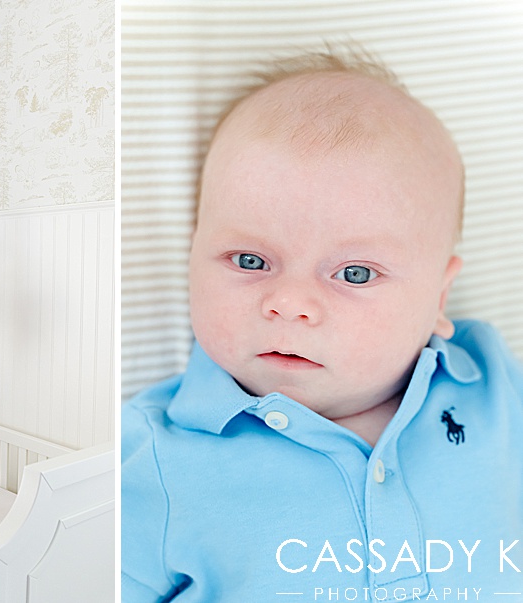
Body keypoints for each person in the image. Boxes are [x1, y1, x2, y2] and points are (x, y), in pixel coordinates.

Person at [121, 47, 523, 600]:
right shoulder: (150, 458)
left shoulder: (497, 389)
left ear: (439, 295)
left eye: (354, 273)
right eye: (249, 260)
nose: (289, 304)